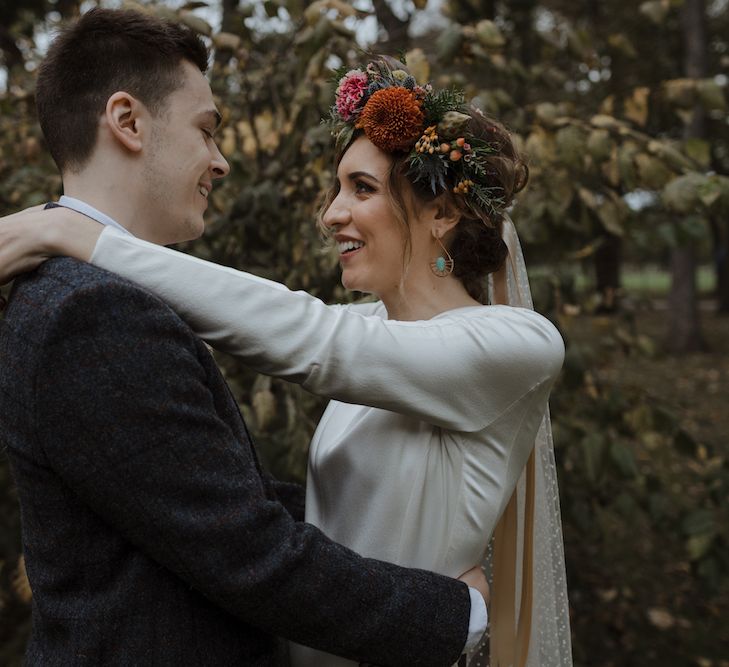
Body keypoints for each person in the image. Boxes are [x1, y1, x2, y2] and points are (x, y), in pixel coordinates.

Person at [0, 51, 573, 667]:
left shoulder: (519, 344)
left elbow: (312, 337)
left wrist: (73, 234)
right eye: (337, 189)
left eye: (362, 188)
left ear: (441, 214)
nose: (331, 214)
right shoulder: (369, 331)